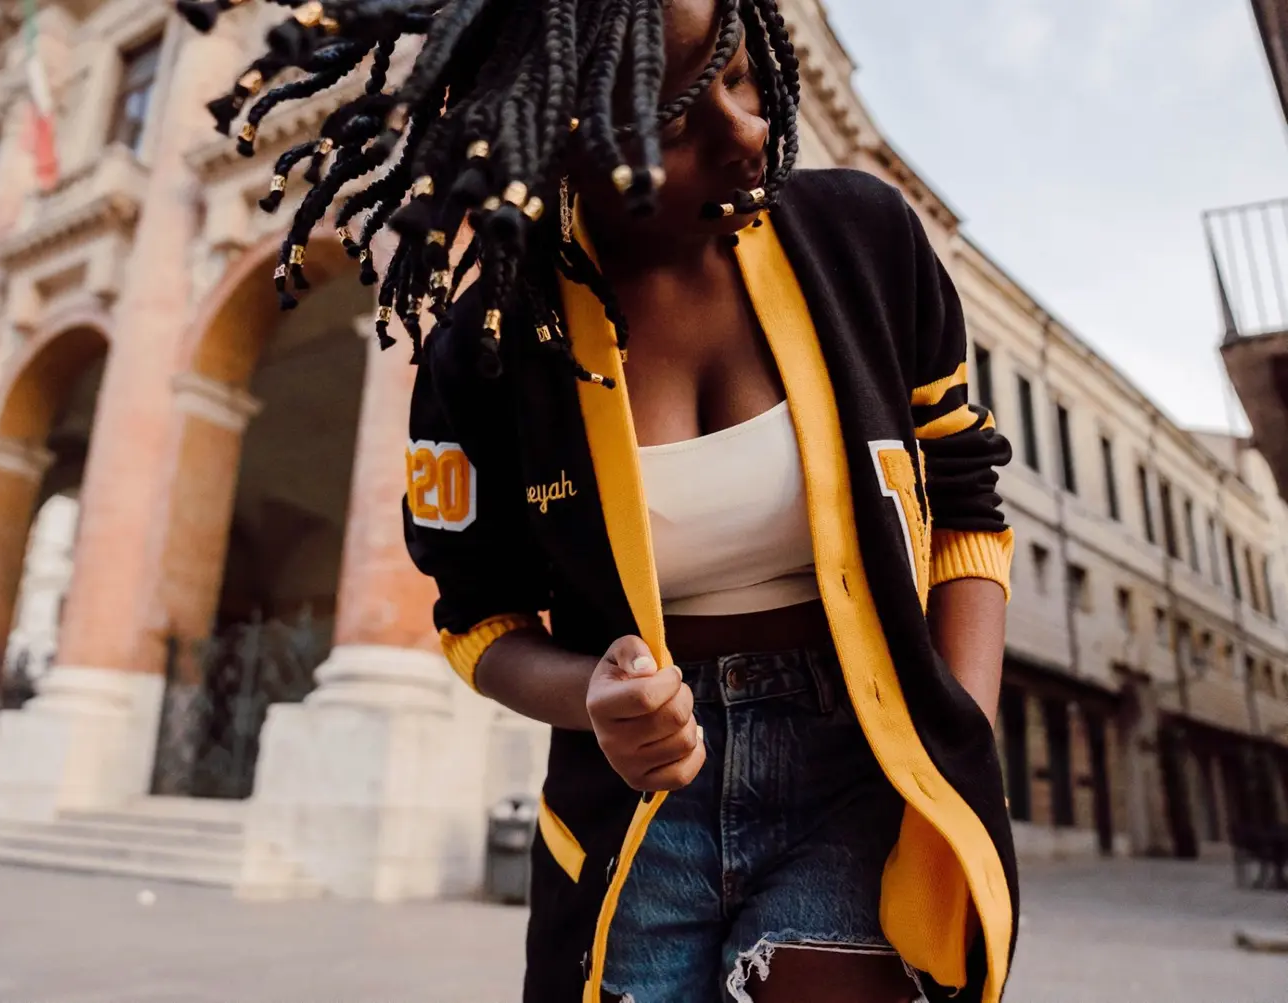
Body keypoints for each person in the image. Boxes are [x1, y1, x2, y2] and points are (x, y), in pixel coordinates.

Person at [178, 1, 1019, 1001]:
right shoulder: (483, 354)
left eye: (743, 75)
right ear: (555, 146)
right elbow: (477, 620)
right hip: (630, 811)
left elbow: (967, 495)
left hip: (861, 775)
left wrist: (959, 727)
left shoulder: (863, 239)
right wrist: (592, 698)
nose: (748, 132)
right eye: (675, 118)